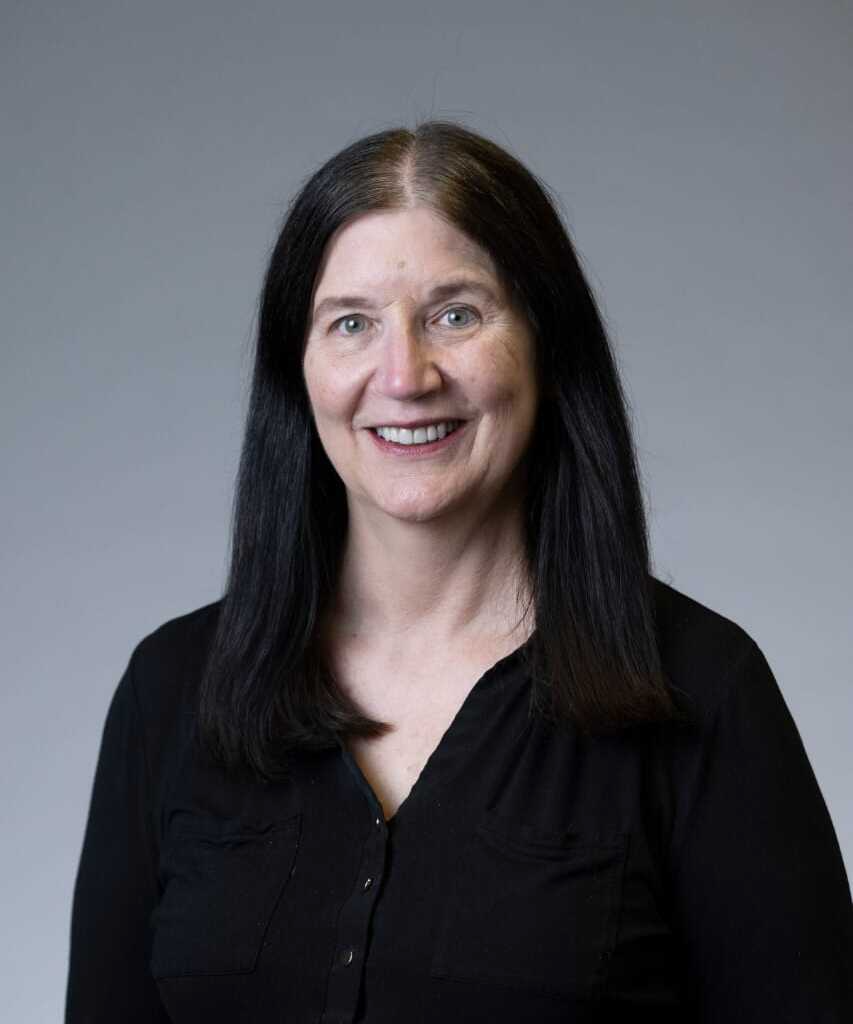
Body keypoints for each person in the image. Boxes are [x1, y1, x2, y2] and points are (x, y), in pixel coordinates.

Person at [65, 121, 853, 1023]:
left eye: (456, 314)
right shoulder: (170, 690)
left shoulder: (701, 690)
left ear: (546, 349)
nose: (404, 374)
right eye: (351, 323)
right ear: (300, 369)